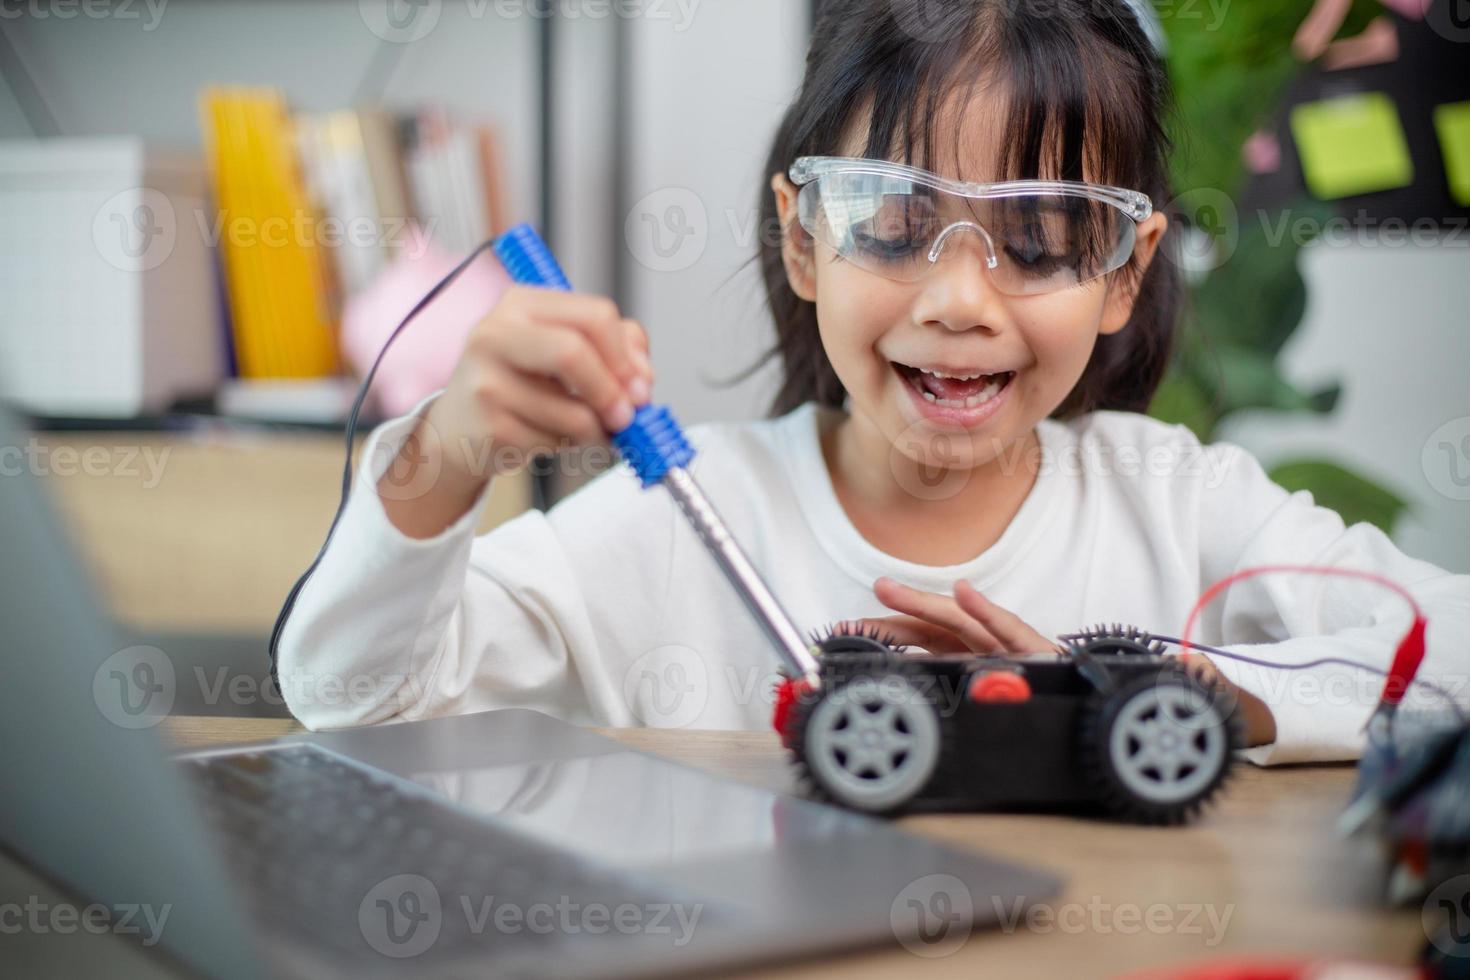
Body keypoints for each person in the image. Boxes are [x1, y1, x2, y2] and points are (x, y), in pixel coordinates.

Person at [278, 0, 1469, 765]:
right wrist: (444, 456)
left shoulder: (1178, 503)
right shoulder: (676, 521)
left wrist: (1197, 692)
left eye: (1045, 235)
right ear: (803, 241)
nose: (960, 300)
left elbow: (1454, 647)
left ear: (1124, 270)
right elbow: (351, 703)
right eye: (895, 223)